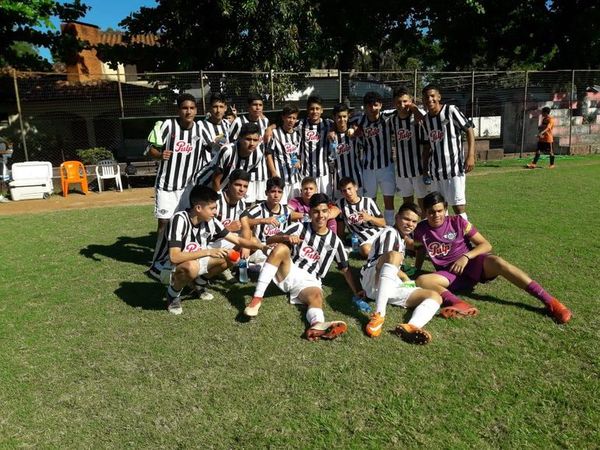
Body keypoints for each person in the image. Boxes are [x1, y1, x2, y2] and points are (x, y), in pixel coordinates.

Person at [413, 191, 572, 324]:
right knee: (423, 280)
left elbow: (486, 245)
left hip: (472, 265)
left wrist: (466, 257)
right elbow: (420, 249)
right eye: (431, 212)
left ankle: (551, 302)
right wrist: (416, 269)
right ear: (425, 212)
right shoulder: (421, 229)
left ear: (446, 209)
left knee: (498, 262)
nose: (436, 215)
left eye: (440, 210)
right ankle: (458, 303)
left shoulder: (458, 222)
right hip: (449, 275)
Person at [243, 193, 364, 341]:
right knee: (281, 248)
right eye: (316, 212)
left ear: (329, 212)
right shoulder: (300, 227)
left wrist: (357, 291)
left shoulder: (335, 242)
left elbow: (345, 269)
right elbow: (270, 240)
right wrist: (285, 238)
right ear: (310, 213)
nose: (321, 215)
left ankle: (316, 325)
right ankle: (257, 299)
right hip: (290, 270)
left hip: (310, 280)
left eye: (324, 211)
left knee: (317, 296)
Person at [165, 185, 267, 315]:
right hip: (170, 266)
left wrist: (261, 246)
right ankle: (172, 294)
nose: (216, 212)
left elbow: (237, 241)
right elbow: (174, 257)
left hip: (196, 259)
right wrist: (208, 252)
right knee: (192, 266)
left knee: (232, 255)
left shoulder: (211, 221)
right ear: (198, 208)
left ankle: (199, 285)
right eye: (212, 208)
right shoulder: (180, 219)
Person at [362, 203, 442, 344]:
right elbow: (386, 260)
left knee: (435, 296)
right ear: (397, 217)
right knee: (395, 255)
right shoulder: (390, 232)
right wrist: (404, 277)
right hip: (373, 278)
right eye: (406, 219)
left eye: (414, 221)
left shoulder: (401, 237)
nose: (410, 224)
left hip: (388, 285)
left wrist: (404, 279)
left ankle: (412, 326)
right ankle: (379, 315)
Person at [146, 93, 203, 280]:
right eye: (185, 108)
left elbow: (215, 142)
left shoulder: (201, 129)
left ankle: (178, 256)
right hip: (167, 185)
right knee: (164, 223)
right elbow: (150, 149)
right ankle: (158, 259)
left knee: (184, 222)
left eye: (192, 108)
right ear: (179, 110)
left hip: (188, 187)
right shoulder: (167, 126)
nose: (189, 111)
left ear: (196, 110)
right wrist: (159, 154)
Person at [420, 84, 475, 220]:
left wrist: (471, 155)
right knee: (438, 207)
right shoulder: (426, 120)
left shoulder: (450, 110)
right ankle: (443, 238)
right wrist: (425, 168)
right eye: (427, 97)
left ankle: (465, 238)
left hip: (454, 168)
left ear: (439, 97)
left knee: (458, 206)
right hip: (435, 171)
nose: (430, 99)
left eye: (433, 96)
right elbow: (427, 146)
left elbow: (469, 130)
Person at [350, 91, 396, 226]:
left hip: (386, 166)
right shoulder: (360, 120)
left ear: (381, 105)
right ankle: (372, 227)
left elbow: (404, 108)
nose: (373, 108)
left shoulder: (387, 116)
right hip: (368, 168)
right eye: (369, 106)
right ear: (365, 107)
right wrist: (350, 129)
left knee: (389, 200)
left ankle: (390, 227)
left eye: (376, 105)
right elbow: (346, 121)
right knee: (369, 201)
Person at [386, 87, 429, 213]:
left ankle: (424, 229)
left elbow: (427, 143)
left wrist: (415, 110)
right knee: (407, 204)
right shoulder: (392, 120)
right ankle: (410, 230)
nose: (402, 105)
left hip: (419, 170)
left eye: (405, 101)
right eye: (398, 102)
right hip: (402, 170)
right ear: (394, 103)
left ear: (411, 101)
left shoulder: (418, 118)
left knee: (423, 202)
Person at [194, 122, 264, 193]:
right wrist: (219, 199)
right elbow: (215, 179)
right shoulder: (228, 151)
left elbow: (244, 179)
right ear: (240, 138)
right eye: (248, 139)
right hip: (204, 185)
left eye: (255, 140)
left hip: (224, 189)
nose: (252, 144)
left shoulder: (258, 156)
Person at [239, 177, 292, 269]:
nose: (276, 195)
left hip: (276, 247)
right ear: (266, 193)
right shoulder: (258, 209)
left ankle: (254, 267)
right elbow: (243, 222)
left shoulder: (286, 211)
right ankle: (248, 264)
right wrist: (262, 220)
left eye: (279, 192)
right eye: (273, 191)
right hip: (259, 247)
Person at [229, 94, 270, 203]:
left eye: (260, 105)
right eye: (255, 105)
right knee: (245, 204)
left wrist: (271, 127)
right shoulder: (238, 122)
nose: (258, 108)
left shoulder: (265, 122)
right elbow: (231, 146)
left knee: (262, 203)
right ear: (248, 106)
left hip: (262, 173)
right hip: (244, 172)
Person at [213, 169, 250, 280]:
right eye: (238, 185)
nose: (241, 189)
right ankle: (203, 278)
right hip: (208, 243)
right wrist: (227, 228)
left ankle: (225, 269)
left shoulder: (241, 203)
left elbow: (246, 227)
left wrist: (246, 246)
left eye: (245, 186)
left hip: (225, 241)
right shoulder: (216, 200)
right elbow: (203, 232)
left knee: (250, 240)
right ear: (229, 184)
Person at [336, 176, 386, 258]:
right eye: (344, 190)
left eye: (349, 188)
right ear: (341, 192)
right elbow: (341, 224)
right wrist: (341, 239)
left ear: (355, 187)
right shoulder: (340, 204)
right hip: (361, 237)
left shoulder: (368, 201)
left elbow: (383, 222)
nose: (348, 192)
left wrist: (370, 218)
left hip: (378, 232)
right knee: (366, 251)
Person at [298, 95, 334, 197]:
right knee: (307, 201)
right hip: (306, 172)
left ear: (322, 110)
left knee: (326, 200)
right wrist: (271, 128)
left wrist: (333, 130)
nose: (315, 111)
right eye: (312, 109)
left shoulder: (328, 124)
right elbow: (284, 123)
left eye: (317, 109)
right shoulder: (301, 124)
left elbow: (343, 123)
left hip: (324, 172)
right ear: (307, 110)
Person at [266, 104, 302, 203]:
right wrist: (273, 172)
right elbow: (268, 154)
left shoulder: (298, 135)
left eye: (294, 118)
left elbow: (298, 154)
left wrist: (299, 161)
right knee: (281, 207)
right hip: (281, 179)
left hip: (295, 179)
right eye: (289, 117)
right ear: (283, 117)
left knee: (295, 206)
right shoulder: (275, 133)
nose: (291, 120)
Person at [329, 103, 363, 198]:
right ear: (334, 117)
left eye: (344, 116)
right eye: (339, 117)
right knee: (340, 205)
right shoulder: (331, 135)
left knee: (358, 202)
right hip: (338, 177)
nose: (342, 119)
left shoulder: (355, 132)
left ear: (348, 116)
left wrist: (356, 130)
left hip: (356, 175)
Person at [199, 93, 231, 166]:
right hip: (208, 169)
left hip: (225, 167)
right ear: (210, 108)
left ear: (225, 108)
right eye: (215, 107)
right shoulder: (201, 125)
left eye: (221, 107)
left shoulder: (227, 124)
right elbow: (211, 148)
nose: (218, 110)